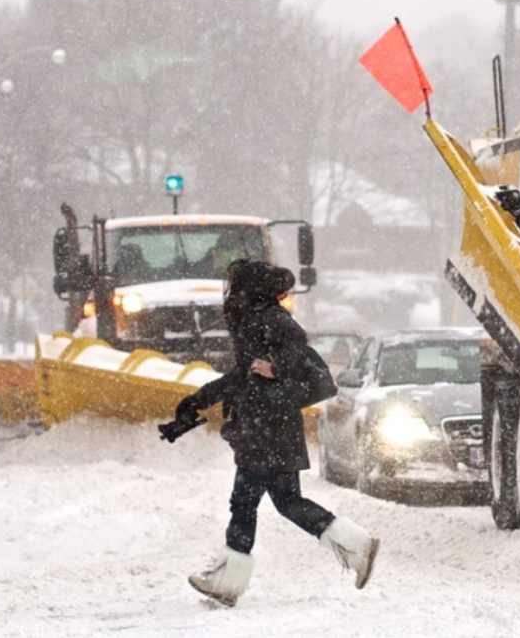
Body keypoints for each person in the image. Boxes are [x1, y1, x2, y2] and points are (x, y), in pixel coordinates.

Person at [161, 259, 378, 607]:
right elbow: (241, 376)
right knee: (288, 502)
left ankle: (226, 582)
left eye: (233, 284)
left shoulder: (268, 320)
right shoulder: (259, 319)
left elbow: (296, 349)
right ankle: (357, 546)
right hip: (270, 430)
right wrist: (198, 401)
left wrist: (275, 368)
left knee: (244, 503)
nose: (229, 291)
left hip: (267, 430)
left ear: (248, 288)